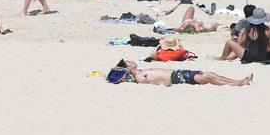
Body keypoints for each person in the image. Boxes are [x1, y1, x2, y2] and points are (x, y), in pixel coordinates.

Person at [108, 59, 252, 86]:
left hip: (178, 72)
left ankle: (236, 81)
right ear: (127, 68)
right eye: (127, 63)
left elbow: (134, 63)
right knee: (209, 77)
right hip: (177, 78)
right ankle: (238, 83)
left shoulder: (141, 71)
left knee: (211, 74)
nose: (130, 61)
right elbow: (157, 82)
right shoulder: (140, 77)